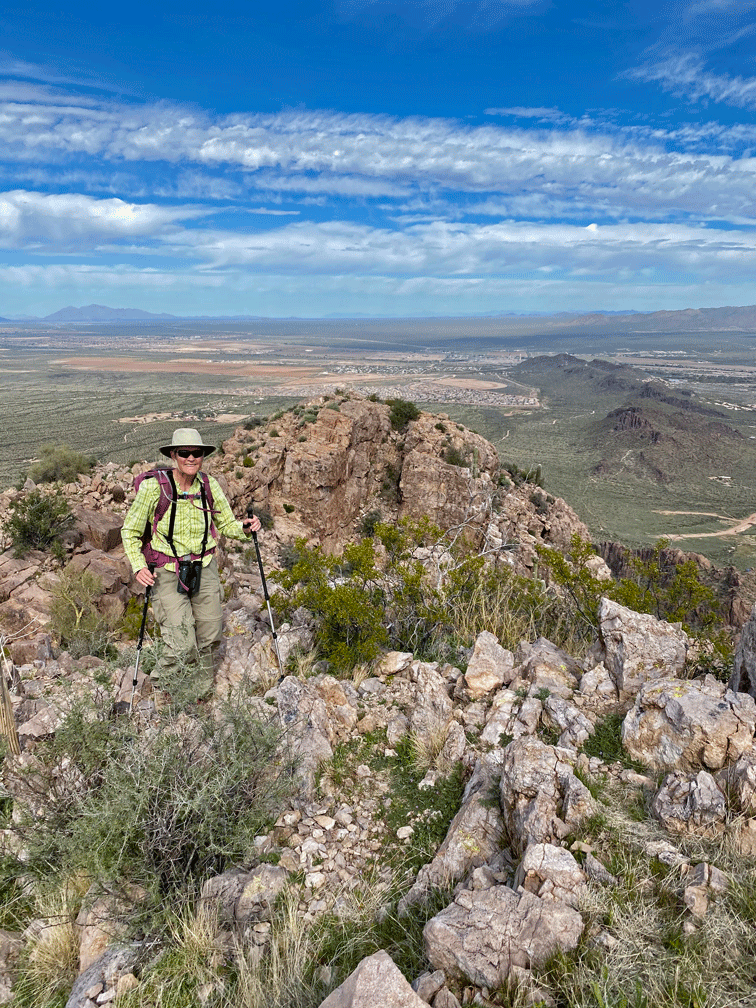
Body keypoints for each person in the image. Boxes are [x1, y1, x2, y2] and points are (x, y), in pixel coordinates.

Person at [121, 427, 260, 702]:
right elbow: (129, 531)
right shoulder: (154, 488)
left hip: (204, 567)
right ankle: (160, 692)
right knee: (181, 643)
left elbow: (227, 524)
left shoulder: (209, 486)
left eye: (197, 453)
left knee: (210, 635)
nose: (191, 458)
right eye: (184, 453)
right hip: (168, 571)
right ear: (174, 455)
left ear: (203, 456)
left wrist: (245, 527)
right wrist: (139, 566)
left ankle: (199, 695)